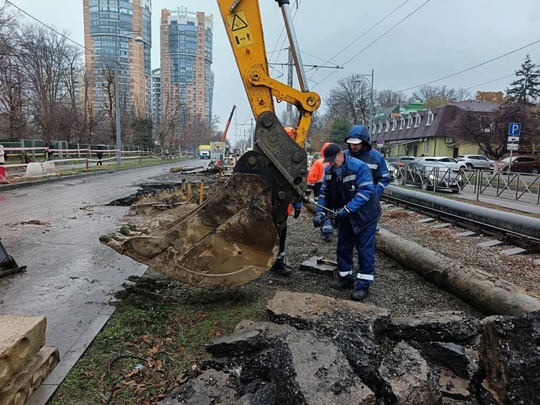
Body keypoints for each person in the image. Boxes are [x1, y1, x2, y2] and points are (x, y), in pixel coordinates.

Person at [313, 143, 380, 301]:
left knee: (365, 250)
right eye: (329, 161)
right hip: (347, 216)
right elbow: (325, 194)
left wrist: (348, 209)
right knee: (343, 247)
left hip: (366, 216)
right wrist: (320, 213)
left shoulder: (359, 167)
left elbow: (366, 191)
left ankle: (363, 286)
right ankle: (346, 278)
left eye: (333, 160)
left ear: (341, 155)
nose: (332, 164)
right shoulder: (329, 171)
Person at [270, 126, 302, 276]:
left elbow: (295, 185)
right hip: (275, 206)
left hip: (280, 206)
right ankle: (276, 263)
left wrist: (297, 203)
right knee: (278, 235)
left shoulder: (282, 159)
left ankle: (277, 261)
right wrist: (297, 203)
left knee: (280, 235)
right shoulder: (279, 159)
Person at [343, 125, 390, 201]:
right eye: (351, 143)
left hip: (368, 202)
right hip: (347, 201)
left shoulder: (377, 157)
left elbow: (384, 179)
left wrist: (373, 194)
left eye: (356, 144)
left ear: (364, 142)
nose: (353, 147)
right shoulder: (344, 156)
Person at [307, 142, 333, 242]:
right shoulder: (336, 161)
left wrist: (308, 191)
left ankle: (327, 231)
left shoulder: (319, 162)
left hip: (319, 188)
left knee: (322, 209)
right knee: (330, 208)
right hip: (332, 188)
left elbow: (312, 177)